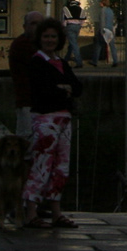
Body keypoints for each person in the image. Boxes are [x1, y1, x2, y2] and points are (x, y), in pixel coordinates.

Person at [22, 18, 82, 230]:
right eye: (46, 36)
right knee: (41, 164)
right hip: (45, 120)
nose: (49, 40)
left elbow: (77, 87)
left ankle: (56, 212)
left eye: (53, 37)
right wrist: (64, 90)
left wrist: (63, 89)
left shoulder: (63, 63)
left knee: (61, 167)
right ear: (40, 39)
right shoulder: (36, 62)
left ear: (59, 40)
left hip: (64, 119)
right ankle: (31, 212)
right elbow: (44, 91)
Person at [8, 11, 45, 136]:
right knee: (28, 139)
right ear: (25, 27)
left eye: (40, 24)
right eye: (33, 23)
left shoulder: (41, 44)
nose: (37, 27)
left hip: (39, 102)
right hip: (28, 102)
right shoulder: (22, 44)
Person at [91, 0, 118, 67]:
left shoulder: (103, 10)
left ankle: (95, 61)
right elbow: (113, 21)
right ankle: (115, 60)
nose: (100, 3)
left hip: (104, 30)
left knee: (98, 45)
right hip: (110, 30)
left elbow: (102, 22)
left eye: (101, 2)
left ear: (103, 3)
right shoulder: (110, 11)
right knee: (112, 46)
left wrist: (101, 31)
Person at [62, 0, 84, 67]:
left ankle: (79, 62)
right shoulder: (80, 9)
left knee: (74, 44)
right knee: (72, 43)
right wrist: (80, 25)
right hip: (77, 26)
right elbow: (83, 19)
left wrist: (64, 27)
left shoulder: (66, 8)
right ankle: (66, 59)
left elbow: (64, 19)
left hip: (70, 26)